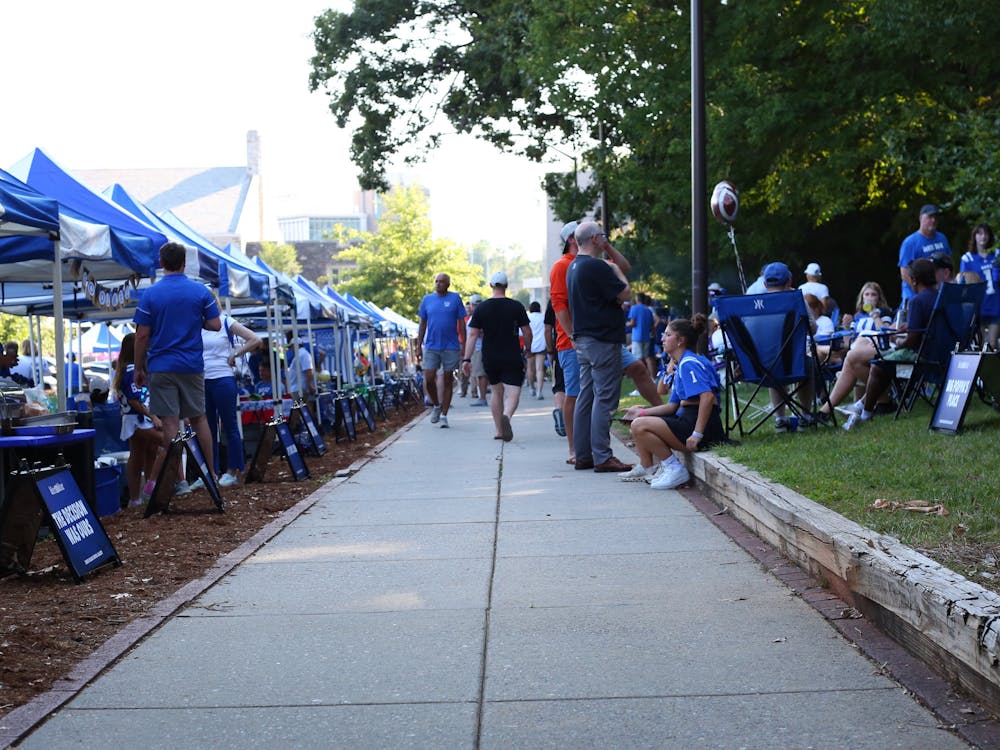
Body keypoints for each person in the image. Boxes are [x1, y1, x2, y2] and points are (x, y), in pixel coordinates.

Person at [133, 242, 222, 500]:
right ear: (184, 263)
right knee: (199, 418)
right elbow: (216, 324)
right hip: (192, 364)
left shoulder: (150, 295)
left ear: (161, 263)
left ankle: (176, 481)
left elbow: (141, 336)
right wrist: (195, 320)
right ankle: (212, 475)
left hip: (161, 366)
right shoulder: (200, 291)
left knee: (170, 423)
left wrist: (139, 368)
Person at [619, 315, 725, 489]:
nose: (662, 338)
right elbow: (672, 405)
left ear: (680, 341)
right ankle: (647, 467)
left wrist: (697, 434)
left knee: (639, 425)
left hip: (702, 427)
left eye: (667, 335)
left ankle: (674, 468)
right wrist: (641, 411)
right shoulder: (681, 363)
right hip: (687, 420)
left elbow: (707, 397)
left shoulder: (689, 363)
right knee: (637, 421)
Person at [841, 258, 940, 430]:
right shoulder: (939, 297)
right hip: (942, 352)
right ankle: (859, 406)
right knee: (885, 360)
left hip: (924, 355)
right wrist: (909, 328)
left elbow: (912, 340)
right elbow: (931, 324)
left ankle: (866, 413)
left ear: (914, 280)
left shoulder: (916, 301)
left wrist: (899, 344)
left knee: (879, 364)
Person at [566, 221, 633, 472]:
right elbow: (625, 293)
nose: (605, 238)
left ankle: (584, 454)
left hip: (583, 339)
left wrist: (611, 259)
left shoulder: (574, 266)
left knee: (587, 396)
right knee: (605, 398)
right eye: (603, 235)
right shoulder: (596, 266)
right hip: (603, 340)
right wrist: (615, 272)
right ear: (595, 239)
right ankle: (603, 456)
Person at [194, 291, 261, 489]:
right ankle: (210, 472)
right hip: (201, 380)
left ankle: (234, 469)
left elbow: (255, 339)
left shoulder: (225, 321)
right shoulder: (195, 324)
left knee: (229, 425)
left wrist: (235, 353)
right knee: (207, 428)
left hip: (223, 378)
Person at [462, 271, 532, 441]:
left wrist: (466, 359)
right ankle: (506, 415)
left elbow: (472, 335)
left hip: (490, 356)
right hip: (512, 354)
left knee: (496, 391)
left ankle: (499, 431)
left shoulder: (482, 308)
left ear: (491, 286)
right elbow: (527, 331)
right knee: (513, 392)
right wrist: (528, 349)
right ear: (506, 286)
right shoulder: (516, 306)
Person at [760, 262, 817, 432]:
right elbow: (812, 328)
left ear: (765, 284)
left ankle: (780, 419)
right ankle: (805, 417)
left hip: (759, 368)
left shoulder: (755, 303)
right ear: (789, 281)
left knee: (773, 365)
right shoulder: (796, 300)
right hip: (794, 365)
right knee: (808, 365)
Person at [113, 333, 163, 507]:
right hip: (138, 420)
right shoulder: (130, 370)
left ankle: (139, 498)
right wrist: (154, 417)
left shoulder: (129, 368)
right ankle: (149, 488)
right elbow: (135, 400)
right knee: (167, 444)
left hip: (137, 419)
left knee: (143, 454)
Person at [415, 272, 466, 428]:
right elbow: (423, 323)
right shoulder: (427, 300)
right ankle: (436, 405)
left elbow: (462, 323)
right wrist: (418, 345)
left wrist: (463, 343)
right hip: (431, 345)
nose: (438, 284)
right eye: (436, 281)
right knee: (429, 378)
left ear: (448, 284)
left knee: (447, 380)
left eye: (441, 281)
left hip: (450, 346)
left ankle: (444, 415)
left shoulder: (455, 298)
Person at [898, 204, 951, 305]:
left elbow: (949, 265)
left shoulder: (942, 238)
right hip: (915, 297)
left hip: (939, 294)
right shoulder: (910, 243)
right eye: (930, 217)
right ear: (920, 218)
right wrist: (922, 291)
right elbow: (905, 273)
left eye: (935, 217)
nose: (933, 220)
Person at [959, 222, 999, 348]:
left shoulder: (997, 255)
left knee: (993, 345)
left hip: (996, 305)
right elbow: (964, 283)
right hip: (978, 306)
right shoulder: (968, 258)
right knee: (979, 345)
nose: (983, 237)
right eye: (979, 233)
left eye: (986, 233)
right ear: (974, 236)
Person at [543, 299, 566, 437]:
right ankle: (573, 419)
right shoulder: (581, 290)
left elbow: (547, 329)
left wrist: (550, 350)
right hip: (582, 345)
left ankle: (559, 410)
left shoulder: (555, 300)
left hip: (560, 347)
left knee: (559, 386)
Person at [466, 294, 489, 406]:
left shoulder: (478, 316)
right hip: (478, 348)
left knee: (481, 374)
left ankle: (483, 397)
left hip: (479, 348)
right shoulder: (482, 314)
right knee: (480, 374)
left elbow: (478, 333)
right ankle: (482, 396)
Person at [626, 292, 656, 376]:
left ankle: (640, 376)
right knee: (647, 357)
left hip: (637, 337)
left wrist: (626, 324)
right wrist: (653, 334)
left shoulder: (634, 308)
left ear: (637, 299)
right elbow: (652, 326)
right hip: (646, 337)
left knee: (637, 358)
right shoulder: (648, 310)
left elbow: (632, 323)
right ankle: (652, 377)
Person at [284, 332, 317, 402]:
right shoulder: (300, 354)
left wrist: (309, 385)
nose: (291, 349)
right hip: (297, 388)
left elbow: (309, 370)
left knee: (300, 410)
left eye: (291, 347)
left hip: (299, 389)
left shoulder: (303, 354)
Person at [526, 300, 546, 399]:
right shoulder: (543, 317)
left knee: (530, 368)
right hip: (541, 345)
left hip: (529, 345)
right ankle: (539, 391)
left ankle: (531, 387)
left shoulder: (527, 317)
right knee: (540, 369)